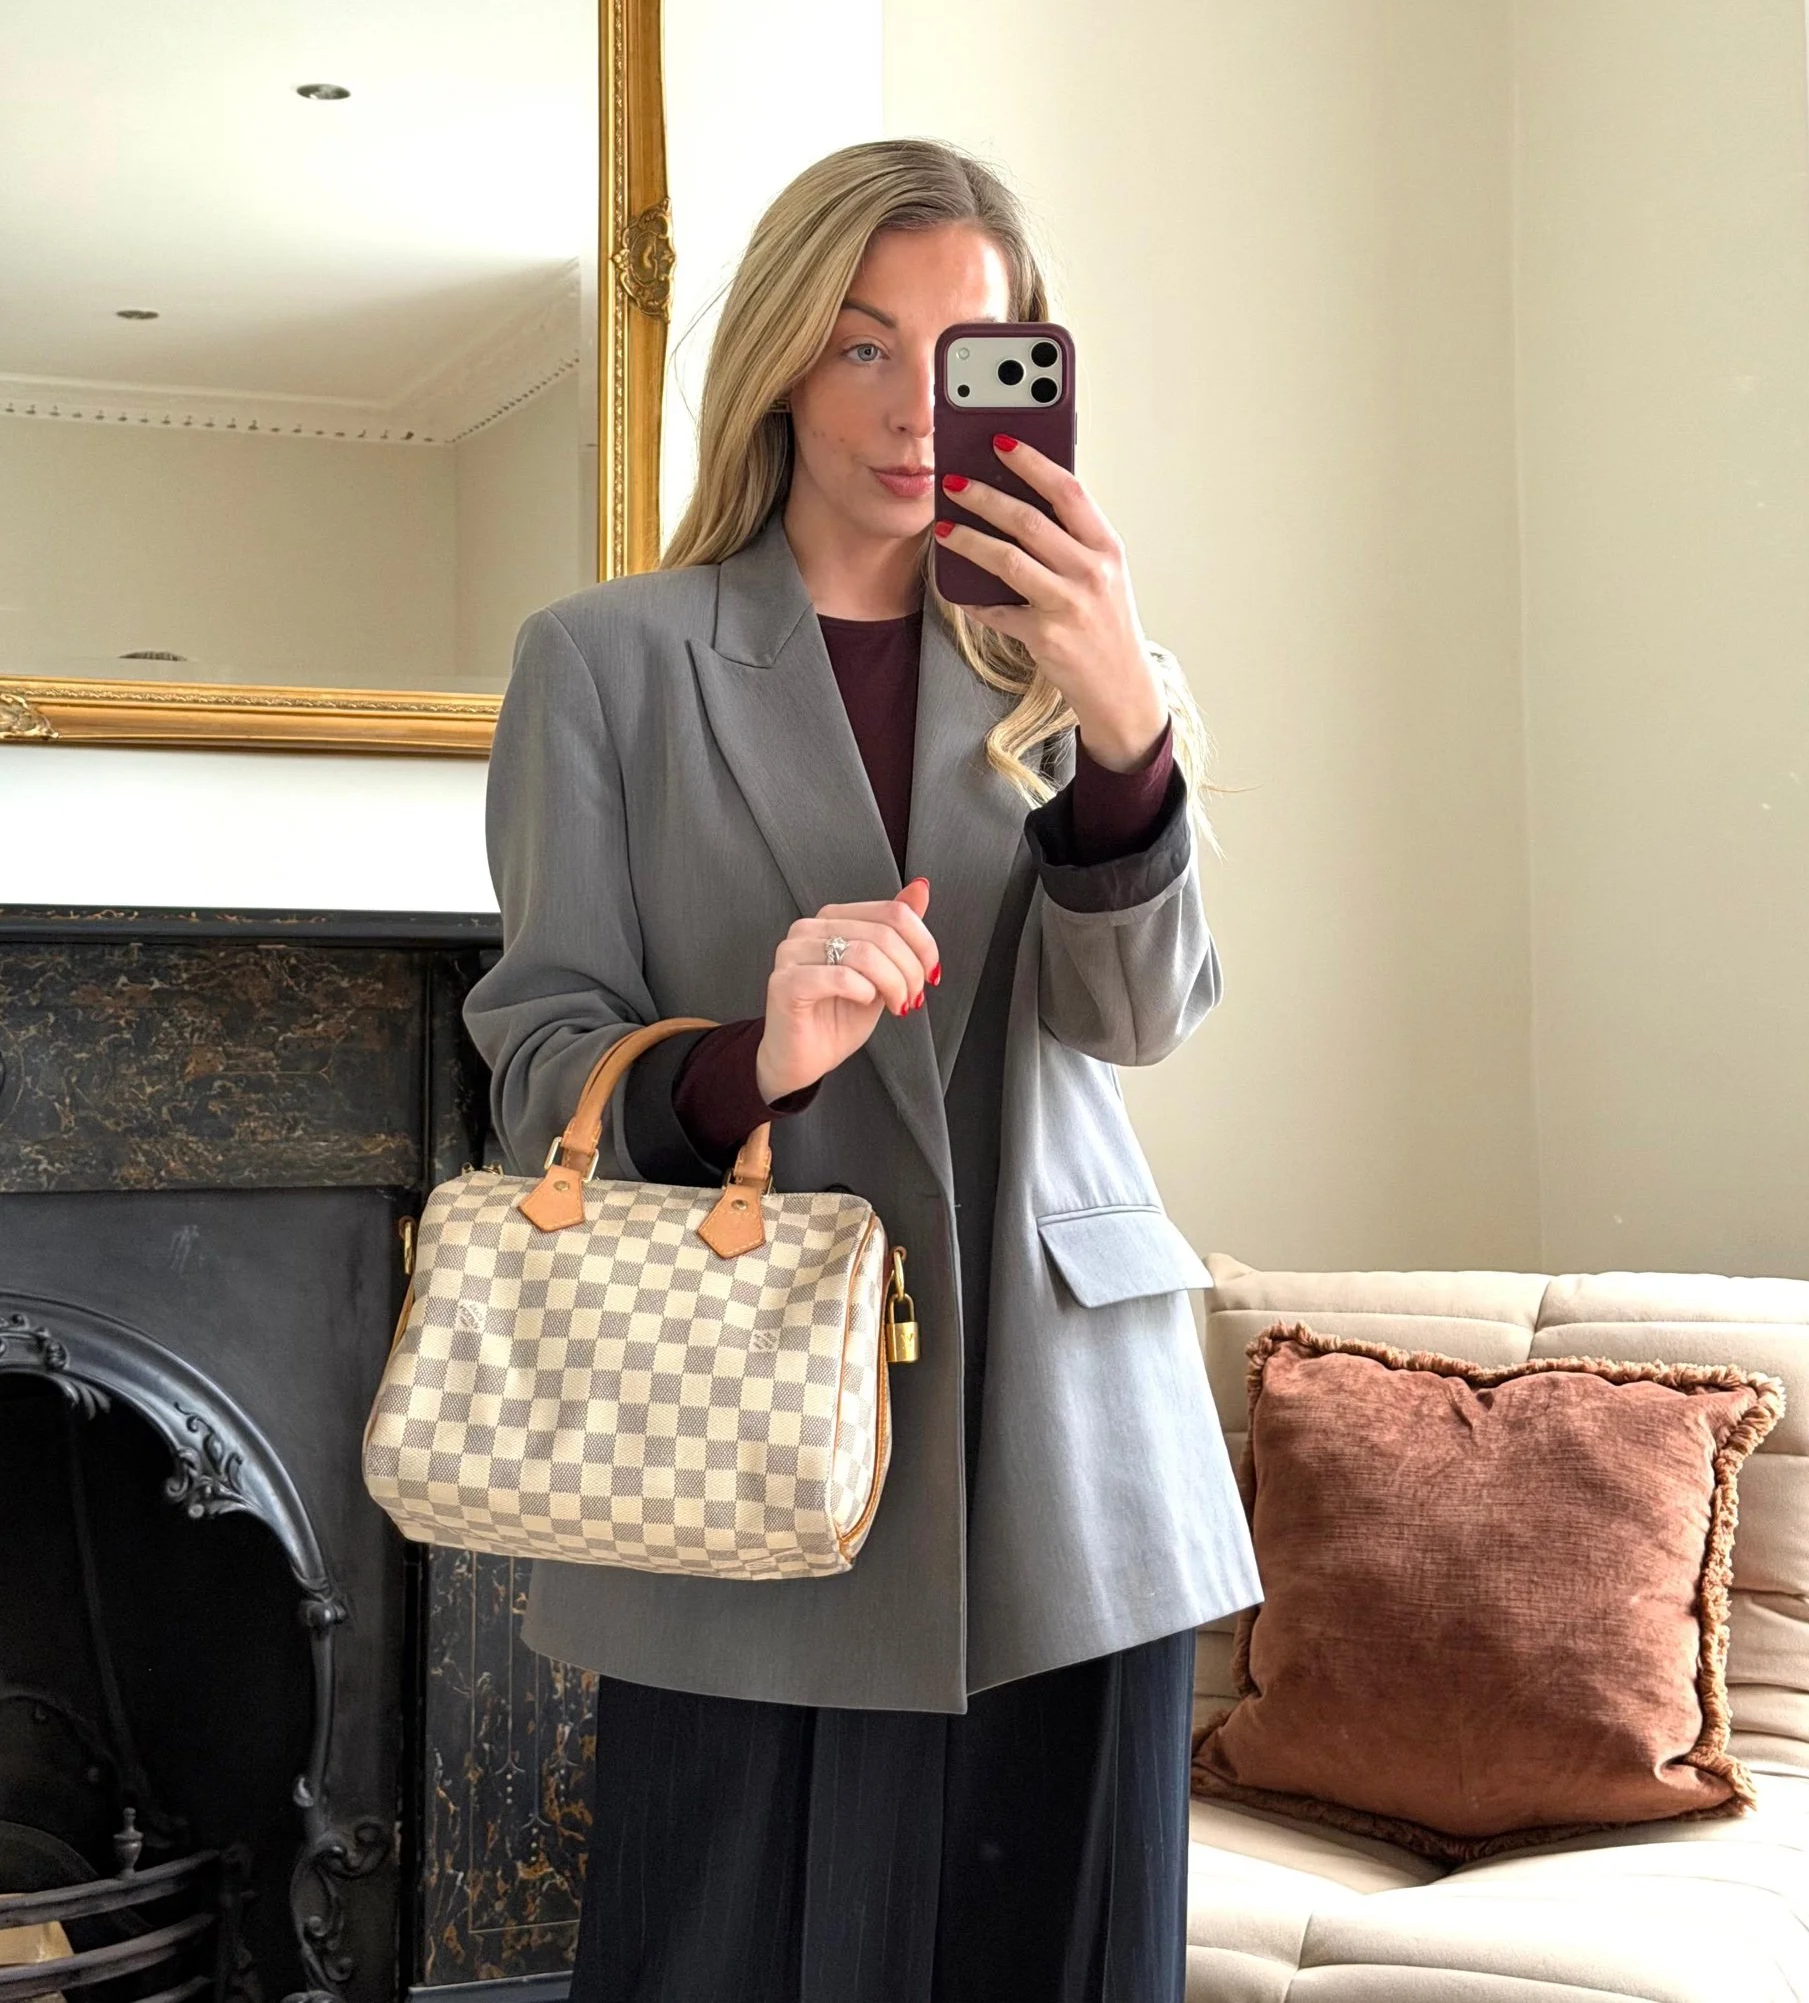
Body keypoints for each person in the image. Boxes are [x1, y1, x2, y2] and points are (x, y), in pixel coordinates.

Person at [464, 140, 1259, 2003]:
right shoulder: (604, 663)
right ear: (778, 362)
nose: (914, 411)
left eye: (964, 355)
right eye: (859, 346)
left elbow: (1137, 1019)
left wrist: (1125, 730)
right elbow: (535, 1064)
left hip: (1065, 1452)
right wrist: (753, 1058)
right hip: (733, 1446)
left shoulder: (1085, 665)